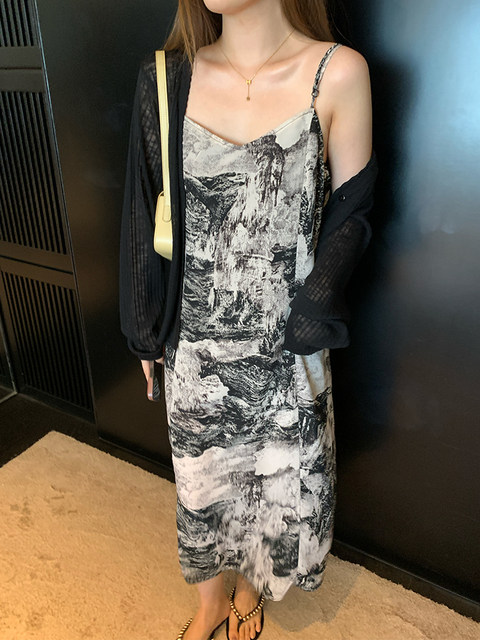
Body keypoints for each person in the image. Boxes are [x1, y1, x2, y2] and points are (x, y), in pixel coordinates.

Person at [119, 1, 378, 639]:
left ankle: (251, 589)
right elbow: (142, 210)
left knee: (272, 491)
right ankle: (209, 601)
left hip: (286, 351)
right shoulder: (166, 78)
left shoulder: (337, 73)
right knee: (201, 487)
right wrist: (144, 326)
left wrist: (312, 311)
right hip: (196, 347)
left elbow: (352, 213)